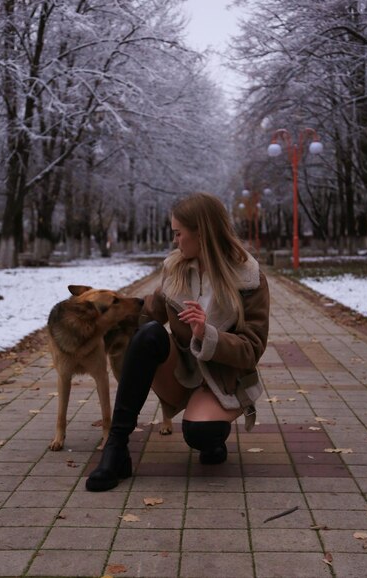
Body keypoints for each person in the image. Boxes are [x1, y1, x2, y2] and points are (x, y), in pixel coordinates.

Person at [86, 192, 270, 492]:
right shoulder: (176, 269)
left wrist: (206, 334)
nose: (175, 241)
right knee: (149, 336)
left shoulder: (249, 279)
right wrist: (98, 314)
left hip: (223, 379)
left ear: (202, 233)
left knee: (201, 434)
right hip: (182, 371)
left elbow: (251, 349)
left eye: (178, 233)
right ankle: (116, 449)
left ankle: (213, 439)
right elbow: (148, 316)